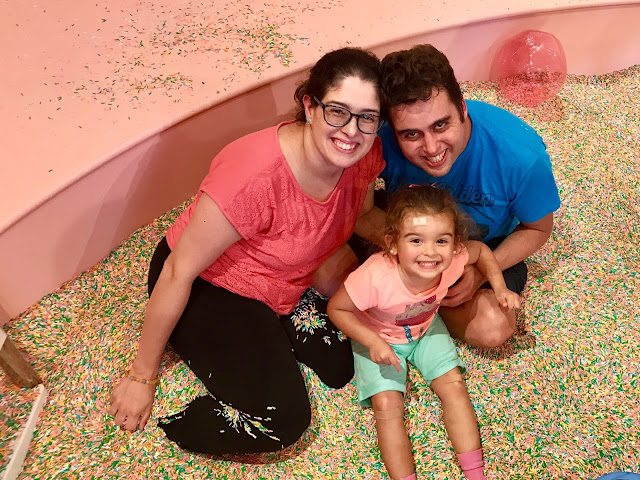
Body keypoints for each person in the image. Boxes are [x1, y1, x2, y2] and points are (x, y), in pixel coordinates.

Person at [108, 47, 386, 454]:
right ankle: (182, 423)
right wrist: (141, 375)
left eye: (367, 118)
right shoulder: (254, 173)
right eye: (337, 111)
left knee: (342, 365)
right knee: (281, 420)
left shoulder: (364, 156)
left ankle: (274, 326)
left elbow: (357, 220)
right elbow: (177, 271)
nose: (351, 131)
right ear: (309, 106)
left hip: (282, 279)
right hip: (211, 284)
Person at [353, 44, 561, 348]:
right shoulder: (377, 141)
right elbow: (361, 214)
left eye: (441, 125)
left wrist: (476, 271)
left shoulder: (521, 157)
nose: (432, 147)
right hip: (406, 233)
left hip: (486, 247)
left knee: (491, 330)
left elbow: (539, 228)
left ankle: (411, 312)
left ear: (462, 107)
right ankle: (417, 311)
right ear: (393, 129)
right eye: (411, 134)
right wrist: (415, 252)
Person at [328, 185, 521, 480]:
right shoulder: (374, 276)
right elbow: (337, 309)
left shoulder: (456, 259)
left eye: (441, 241)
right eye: (416, 240)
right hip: (377, 336)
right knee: (388, 406)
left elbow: (481, 251)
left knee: (454, 386)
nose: (430, 252)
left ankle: (475, 473)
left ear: (456, 244)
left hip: (426, 327)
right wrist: (372, 341)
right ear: (393, 244)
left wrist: (500, 287)